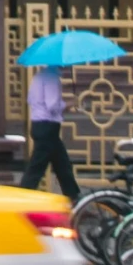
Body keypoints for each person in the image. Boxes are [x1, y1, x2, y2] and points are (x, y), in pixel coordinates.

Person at [20, 64, 80, 200]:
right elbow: (52, 106)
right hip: (47, 127)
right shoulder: (52, 78)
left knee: (63, 165)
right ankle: (20, 200)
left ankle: (74, 198)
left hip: (40, 126)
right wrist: (70, 103)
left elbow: (32, 100)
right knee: (35, 169)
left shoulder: (39, 76)